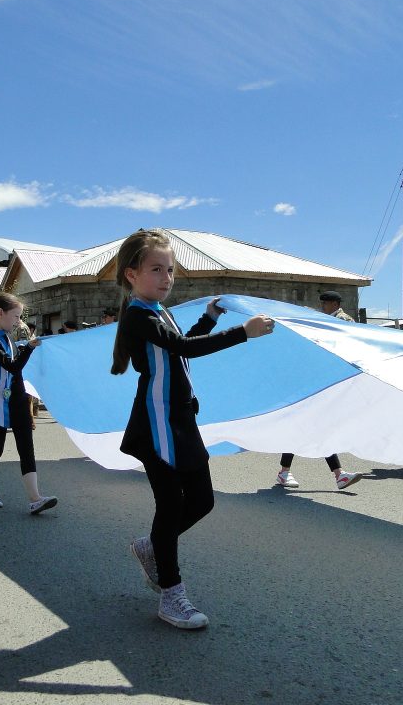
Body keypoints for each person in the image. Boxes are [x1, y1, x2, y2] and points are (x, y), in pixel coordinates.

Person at [112, 228, 274, 630]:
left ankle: (153, 546)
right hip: (156, 424)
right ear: (131, 274)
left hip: (181, 421)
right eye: (156, 270)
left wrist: (210, 317)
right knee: (169, 508)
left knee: (202, 501)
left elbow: (182, 343)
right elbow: (185, 349)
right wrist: (242, 332)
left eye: (170, 270)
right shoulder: (138, 314)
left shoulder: (157, 312)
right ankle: (171, 594)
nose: (166, 278)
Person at [0, 292, 56, 514]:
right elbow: (13, 366)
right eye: (16, 316)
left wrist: (29, 348)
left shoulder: (9, 339)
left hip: (18, 398)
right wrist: (29, 347)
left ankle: (35, 498)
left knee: (26, 447)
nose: (18, 321)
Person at [275, 291, 362, 490]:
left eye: (325, 304)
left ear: (333, 303)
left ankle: (335, 475)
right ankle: (289, 472)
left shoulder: (340, 321)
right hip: (315, 381)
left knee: (316, 426)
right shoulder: (323, 320)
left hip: (324, 380)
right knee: (310, 425)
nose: (322, 307)